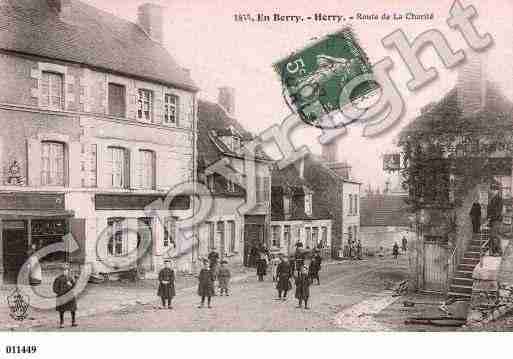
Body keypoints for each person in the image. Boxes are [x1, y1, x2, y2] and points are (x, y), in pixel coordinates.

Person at [52, 263, 77, 328]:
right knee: (61, 310)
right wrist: (61, 293)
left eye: (66, 270)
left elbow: (74, 287)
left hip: (70, 296)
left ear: (68, 271)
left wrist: (71, 284)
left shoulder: (71, 278)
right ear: (61, 271)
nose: (64, 271)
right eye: (63, 270)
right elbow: (55, 289)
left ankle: (73, 322)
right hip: (62, 296)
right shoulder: (58, 279)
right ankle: (62, 323)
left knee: (73, 309)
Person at [488, 184, 503, 256]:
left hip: (497, 220)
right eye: (492, 190)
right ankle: (494, 251)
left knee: (495, 235)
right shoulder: (492, 198)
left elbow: (498, 211)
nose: (492, 191)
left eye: (493, 190)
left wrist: (492, 217)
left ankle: (498, 252)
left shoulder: (499, 198)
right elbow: (490, 210)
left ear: (497, 190)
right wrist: (489, 218)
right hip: (493, 220)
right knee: (493, 236)